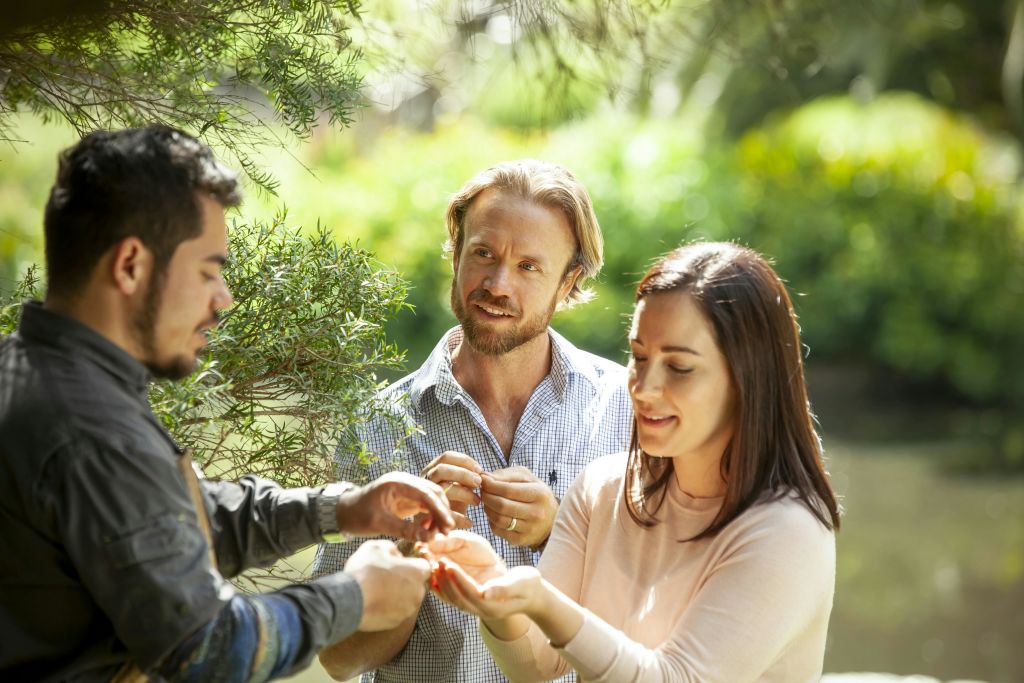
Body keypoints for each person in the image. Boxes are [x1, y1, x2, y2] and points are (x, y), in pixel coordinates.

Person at [0, 125, 455, 683]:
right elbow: (209, 648)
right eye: (208, 271)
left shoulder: (32, 372)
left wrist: (341, 509)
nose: (224, 299)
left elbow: (158, 525)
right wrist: (355, 596)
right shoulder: (91, 428)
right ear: (131, 266)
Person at [427, 241, 842, 682]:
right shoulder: (601, 490)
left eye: (679, 367)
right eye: (639, 357)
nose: (643, 388)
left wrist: (544, 603)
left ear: (750, 379)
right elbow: (538, 666)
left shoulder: (786, 530)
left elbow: (675, 678)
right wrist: (496, 590)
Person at [314, 159, 633, 682]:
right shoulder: (376, 426)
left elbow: (664, 611)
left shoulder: (628, 409)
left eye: (529, 266)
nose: (498, 284)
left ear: (567, 281)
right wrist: (408, 554)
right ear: (456, 251)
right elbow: (339, 658)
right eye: (483, 253)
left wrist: (563, 534)